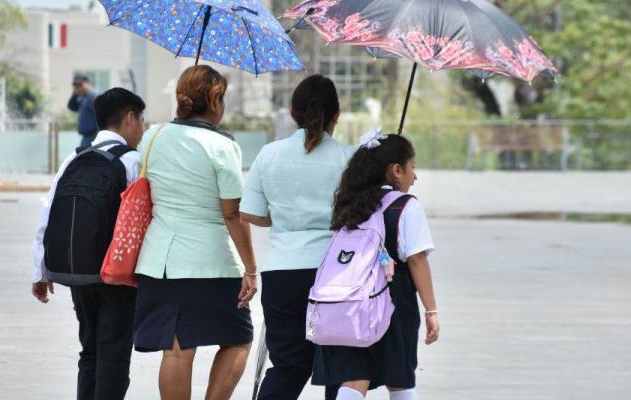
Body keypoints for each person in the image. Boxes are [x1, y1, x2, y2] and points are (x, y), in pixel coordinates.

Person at [132, 65, 258, 400]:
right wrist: (251, 269)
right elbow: (232, 214)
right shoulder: (222, 146)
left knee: (176, 350)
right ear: (216, 101)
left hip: (159, 259)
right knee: (239, 338)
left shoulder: (152, 136)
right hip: (210, 261)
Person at [239, 75, 353, 400]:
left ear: (292, 113)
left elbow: (251, 213)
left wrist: (286, 217)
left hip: (282, 273)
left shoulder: (269, 154)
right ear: (337, 114)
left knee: (288, 368)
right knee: (340, 369)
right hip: (337, 274)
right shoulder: (351, 159)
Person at [32, 87, 147, 400]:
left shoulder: (76, 157)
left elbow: (48, 211)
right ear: (129, 118)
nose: (143, 127)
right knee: (114, 353)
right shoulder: (133, 162)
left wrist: (40, 272)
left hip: (79, 270)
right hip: (118, 275)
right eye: (141, 120)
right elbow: (144, 219)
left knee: (91, 349)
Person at [313, 132, 440, 400]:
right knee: (400, 379)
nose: (414, 176)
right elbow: (417, 260)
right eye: (411, 168)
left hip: (350, 303)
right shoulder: (405, 207)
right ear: (396, 170)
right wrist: (431, 310)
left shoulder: (351, 205)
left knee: (354, 378)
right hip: (394, 303)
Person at [68, 75, 100, 146]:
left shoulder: (92, 96)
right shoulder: (82, 97)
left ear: (87, 84)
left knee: (85, 156)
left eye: (80, 85)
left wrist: (98, 134)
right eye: (76, 86)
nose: (78, 88)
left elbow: (100, 115)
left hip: (93, 135)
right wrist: (74, 94)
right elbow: (71, 107)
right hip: (87, 136)